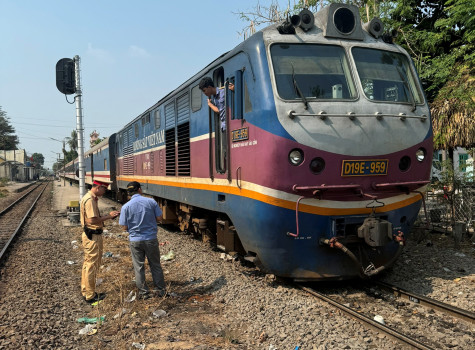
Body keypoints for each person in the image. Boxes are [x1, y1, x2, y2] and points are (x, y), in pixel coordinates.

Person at [119, 181, 167, 299]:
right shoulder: (151, 202)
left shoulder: (126, 207)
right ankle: (160, 291)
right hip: (150, 238)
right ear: (139, 189)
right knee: (155, 264)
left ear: (129, 193)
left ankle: (144, 293)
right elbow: (160, 218)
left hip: (135, 240)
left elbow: (124, 227)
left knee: (139, 267)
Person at [80, 179, 120, 303]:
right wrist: (109, 216)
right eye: (104, 189)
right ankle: (90, 296)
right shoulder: (90, 200)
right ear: (97, 188)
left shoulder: (89, 197)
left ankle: (86, 291)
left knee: (88, 264)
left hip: (90, 235)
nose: (105, 191)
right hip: (93, 236)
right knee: (91, 265)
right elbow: (91, 220)